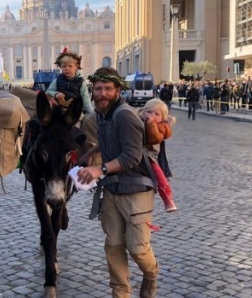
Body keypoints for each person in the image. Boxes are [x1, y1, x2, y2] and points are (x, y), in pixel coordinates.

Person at [77, 67, 159, 298]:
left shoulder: (124, 115)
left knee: (138, 249)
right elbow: (108, 143)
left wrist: (99, 168)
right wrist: (89, 155)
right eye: (98, 89)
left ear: (117, 90)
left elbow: (131, 156)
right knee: (113, 245)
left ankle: (151, 274)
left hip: (136, 190)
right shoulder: (102, 116)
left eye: (107, 89)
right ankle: (120, 292)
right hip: (112, 187)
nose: (102, 93)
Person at [139, 99, 177, 212]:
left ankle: (167, 199)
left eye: (156, 114)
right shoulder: (138, 121)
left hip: (150, 156)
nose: (152, 115)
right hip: (141, 154)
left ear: (163, 117)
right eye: (149, 112)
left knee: (160, 176)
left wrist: (150, 124)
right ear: (143, 112)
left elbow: (153, 138)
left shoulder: (162, 127)